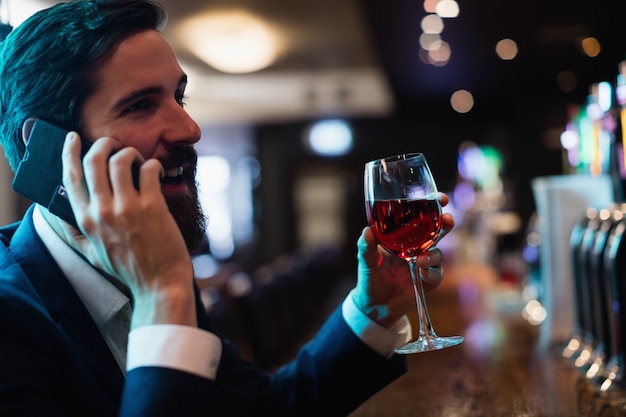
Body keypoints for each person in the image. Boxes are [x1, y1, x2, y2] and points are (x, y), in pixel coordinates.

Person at [0, 1, 455, 416]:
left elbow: (263, 408)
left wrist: (373, 308)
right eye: (139, 105)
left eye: (179, 97)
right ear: (48, 147)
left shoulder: (159, 270)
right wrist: (164, 295)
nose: (190, 128)